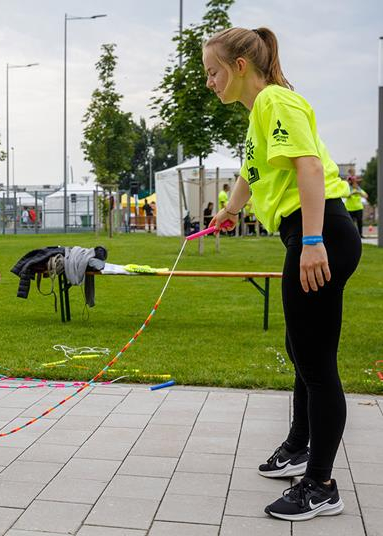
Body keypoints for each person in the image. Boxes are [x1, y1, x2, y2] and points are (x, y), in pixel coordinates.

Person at [204, 27, 361, 522]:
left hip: (321, 233)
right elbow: (252, 175)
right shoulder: (258, 116)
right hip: (306, 234)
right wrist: (229, 210)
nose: (209, 82)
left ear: (240, 67)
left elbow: (309, 168)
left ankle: (320, 485)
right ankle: (299, 446)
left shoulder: (275, 100)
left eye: (213, 72)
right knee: (302, 350)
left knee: (316, 363)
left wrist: (313, 241)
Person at [343, 171, 367, 237]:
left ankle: (360, 234)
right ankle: (351, 235)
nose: (355, 184)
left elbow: (366, 196)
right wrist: (352, 193)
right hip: (349, 208)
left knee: (359, 221)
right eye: (354, 183)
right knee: (350, 223)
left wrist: (359, 193)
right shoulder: (349, 189)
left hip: (359, 208)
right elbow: (345, 195)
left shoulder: (359, 189)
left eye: (356, 183)